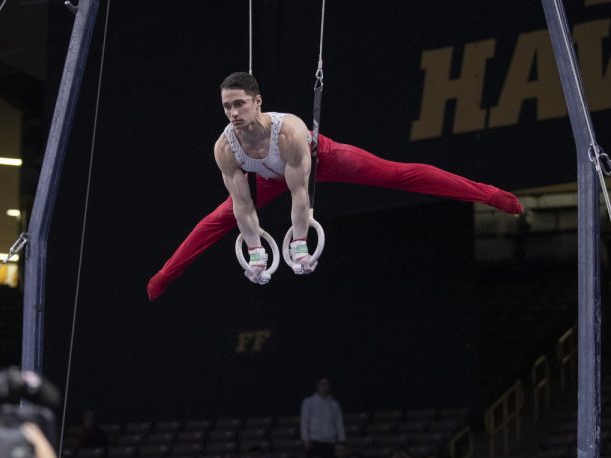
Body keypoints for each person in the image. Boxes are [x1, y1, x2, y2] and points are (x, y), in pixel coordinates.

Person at [146, 72, 522, 300]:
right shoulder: (225, 148)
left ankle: (491, 195)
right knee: (216, 220)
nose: (233, 113)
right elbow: (244, 208)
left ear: (257, 102)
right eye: (227, 106)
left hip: (319, 158)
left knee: (397, 175)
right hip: (267, 178)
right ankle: (163, 277)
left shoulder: (289, 132)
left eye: (240, 104)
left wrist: (298, 245)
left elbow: (300, 194)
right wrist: (257, 253)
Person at [300, 379, 345, 458]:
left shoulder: (334, 403)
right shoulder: (308, 402)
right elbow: (304, 421)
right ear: (317, 386)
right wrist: (306, 439)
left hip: (330, 442)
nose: (324, 387)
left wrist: (342, 441)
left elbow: (339, 423)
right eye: (322, 384)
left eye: (326, 385)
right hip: (314, 441)